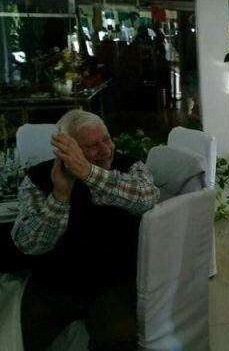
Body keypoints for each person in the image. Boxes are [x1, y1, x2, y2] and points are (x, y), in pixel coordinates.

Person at [11, 109, 159, 351]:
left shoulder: (129, 166)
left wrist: (90, 174)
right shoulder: (39, 178)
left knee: (118, 340)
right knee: (14, 337)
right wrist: (60, 196)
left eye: (107, 139)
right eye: (91, 146)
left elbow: (147, 198)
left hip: (113, 280)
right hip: (54, 283)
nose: (105, 150)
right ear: (66, 151)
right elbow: (30, 244)